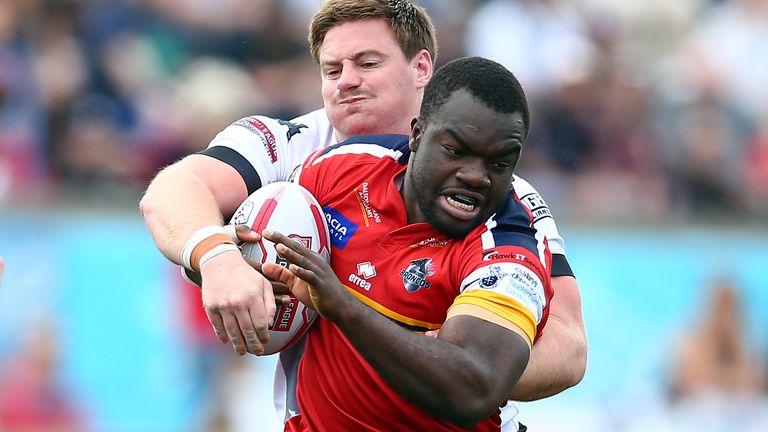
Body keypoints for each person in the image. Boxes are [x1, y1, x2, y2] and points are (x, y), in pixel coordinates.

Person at [139, 0, 586, 429]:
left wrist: (450, 358)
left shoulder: (504, 203)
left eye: (367, 63)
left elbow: (568, 348)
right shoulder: (299, 151)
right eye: (332, 70)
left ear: (421, 68)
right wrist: (218, 259)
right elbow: (172, 192)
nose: (346, 81)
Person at [261, 55, 552, 431]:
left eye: (498, 164)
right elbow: (255, 240)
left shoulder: (509, 252)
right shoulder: (344, 168)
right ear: (417, 134)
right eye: (456, 150)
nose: (475, 176)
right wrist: (236, 266)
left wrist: (343, 307)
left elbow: (473, 390)